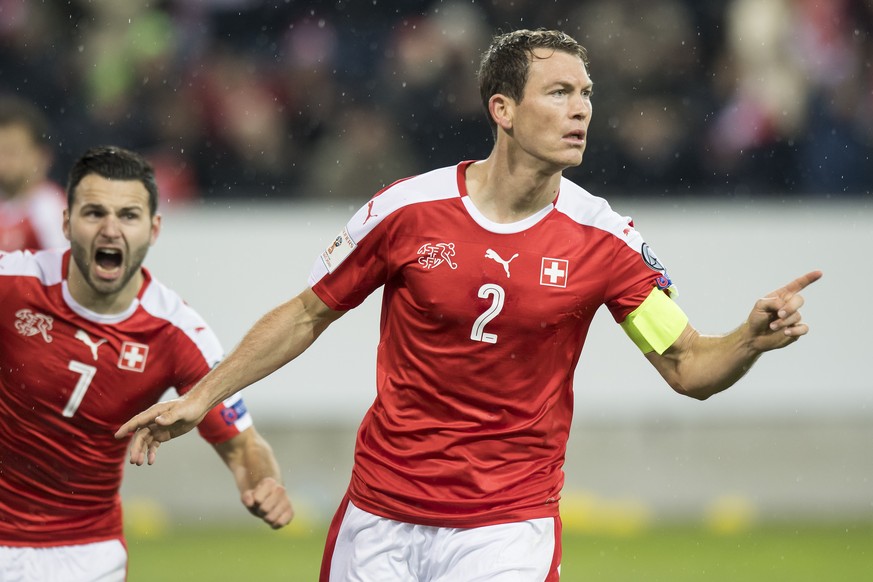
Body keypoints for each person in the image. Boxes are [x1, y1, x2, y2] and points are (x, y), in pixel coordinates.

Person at [116, 29, 822, 581]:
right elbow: (308, 312)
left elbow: (686, 364)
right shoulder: (407, 212)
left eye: (585, 93)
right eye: (557, 92)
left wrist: (747, 340)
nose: (580, 109)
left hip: (504, 531)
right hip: (379, 518)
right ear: (502, 110)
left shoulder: (605, 242)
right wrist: (198, 398)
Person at [0, 145, 293, 582]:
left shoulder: (177, 333)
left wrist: (262, 482)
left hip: (86, 555)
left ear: (154, 228)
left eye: (129, 215)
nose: (110, 230)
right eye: (94, 213)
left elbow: (244, 445)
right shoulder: (12, 284)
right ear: (66, 222)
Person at [0, 93, 67, 251]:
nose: (3, 162)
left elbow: (63, 270)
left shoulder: (50, 209)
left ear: (41, 157)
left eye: (11, 152)